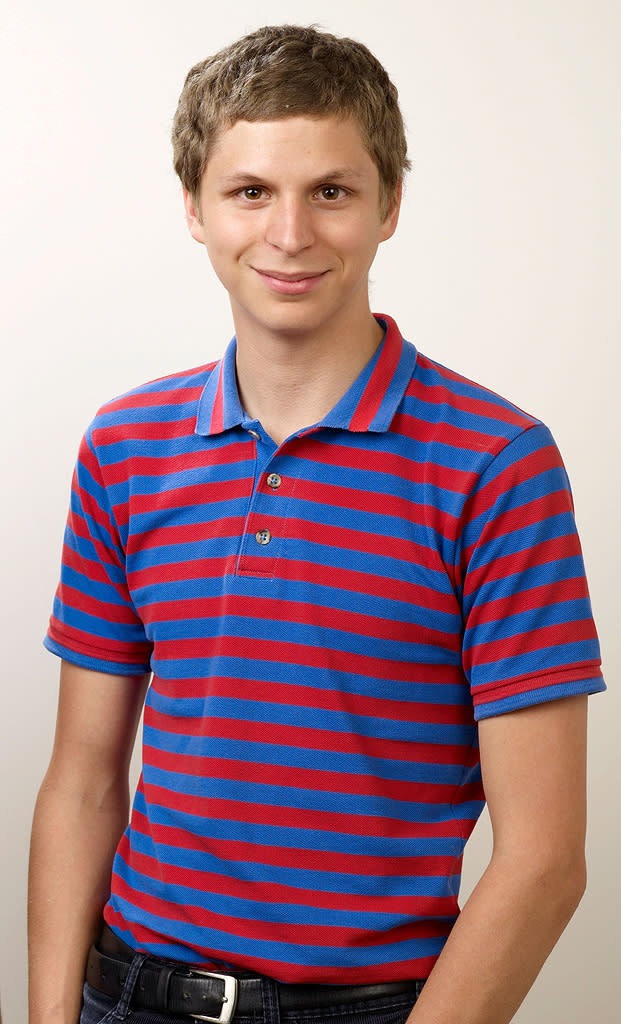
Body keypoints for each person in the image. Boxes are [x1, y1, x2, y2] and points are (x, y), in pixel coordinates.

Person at [29, 23, 605, 1024]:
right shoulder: (127, 445)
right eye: (250, 191)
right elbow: (81, 781)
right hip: (129, 994)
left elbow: (546, 859)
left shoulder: (496, 463)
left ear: (389, 205)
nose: (289, 233)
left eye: (330, 192)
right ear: (195, 210)